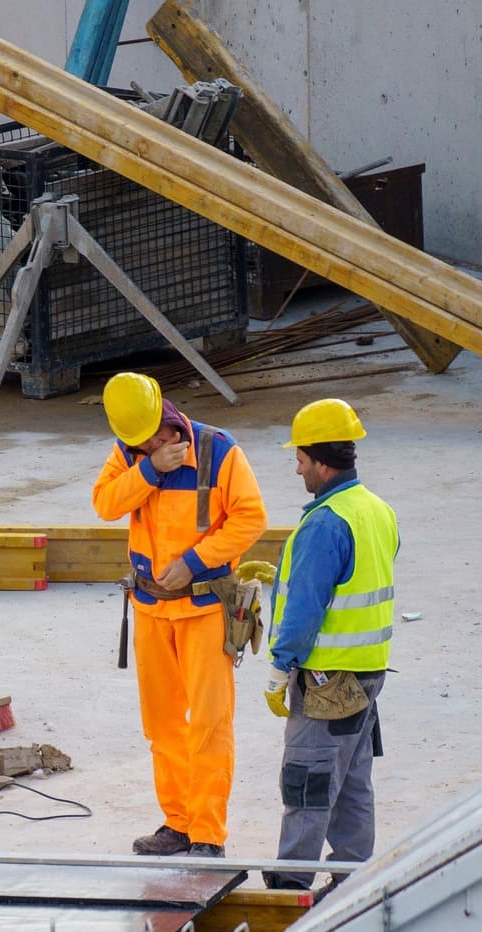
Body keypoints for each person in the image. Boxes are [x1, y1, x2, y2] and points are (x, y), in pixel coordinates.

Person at [93, 372, 267, 858]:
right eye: (138, 442)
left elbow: (251, 518)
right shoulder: (130, 454)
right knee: (163, 725)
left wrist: (193, 562)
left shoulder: (219, 450)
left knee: (210, 722)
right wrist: (149, 469)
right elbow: (105, 504)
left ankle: (208, 834)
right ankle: (178, 823)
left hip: (206, 608)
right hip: (150, 610)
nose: (150, 444)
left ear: (167, 416)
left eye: (155, 437)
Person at [261, 398, 398, 892]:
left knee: (308, 780)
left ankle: (291, 883)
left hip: (327, 680)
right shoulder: (377, 510)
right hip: (368, 675)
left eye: (299, 459)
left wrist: (280, 669)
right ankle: (352, 877)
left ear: (321, 461)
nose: (297, 469)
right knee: (353, 781)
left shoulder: (323, 523)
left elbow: (305, 611)